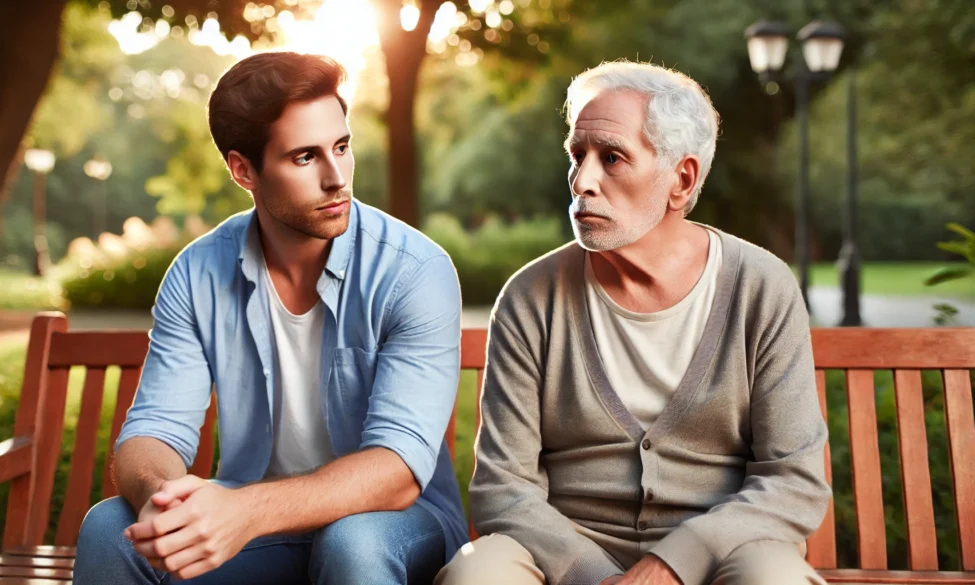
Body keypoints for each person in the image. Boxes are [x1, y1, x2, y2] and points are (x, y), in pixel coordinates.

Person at [74, 51, 468, 585]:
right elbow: (153, 432)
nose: (337, 178)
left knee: (351, 543)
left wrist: (246, 512)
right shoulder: (197, 274)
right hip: (256, 527)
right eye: (305, 157)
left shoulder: (414, 271)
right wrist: (165, 504)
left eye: (343, 147)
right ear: (243, 170)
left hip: (394, 524)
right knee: (108, 528)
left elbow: (396, 471)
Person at [436, 60, 831, 585]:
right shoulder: (531, 297)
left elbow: (793, 482)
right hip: (562, 554)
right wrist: (595, 576)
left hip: (724, 551)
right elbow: (503, 489)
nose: (583, 180)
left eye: (612, 158)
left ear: (681, 179)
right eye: (577, 156)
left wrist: (670, 566)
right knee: (476, 575)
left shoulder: (761, 286)